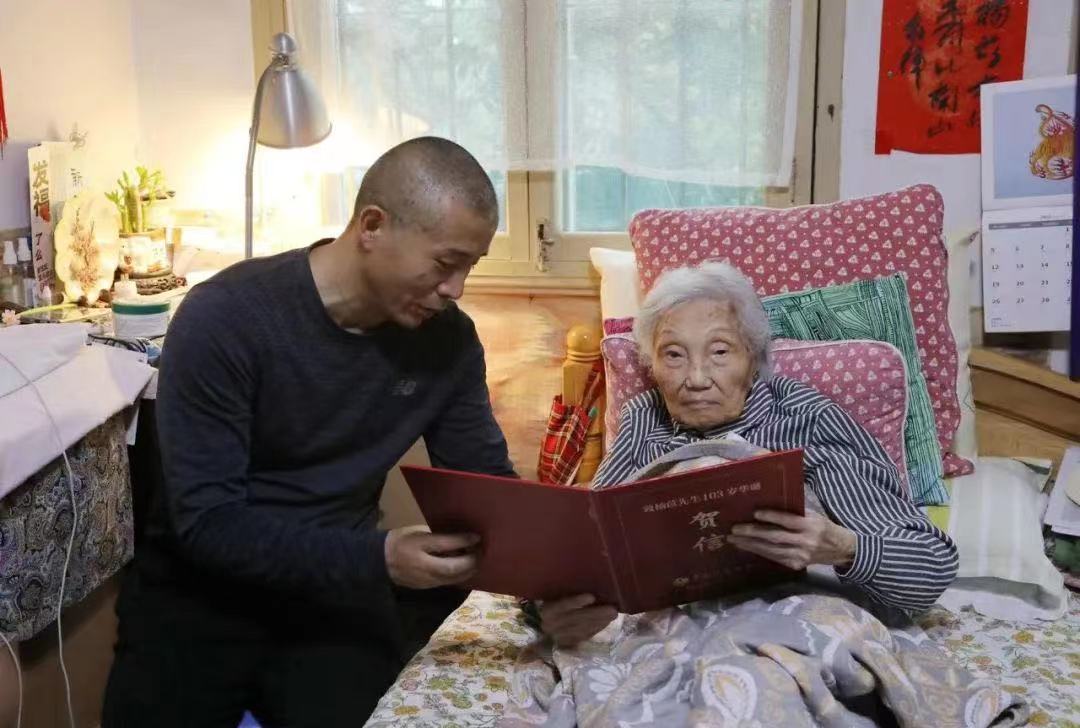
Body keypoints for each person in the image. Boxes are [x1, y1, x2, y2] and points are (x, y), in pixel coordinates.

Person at [103, 137, 516, 727]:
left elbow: (490, 490)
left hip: (334, 596)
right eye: (446, 263)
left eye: (470, 266)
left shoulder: (447, 341)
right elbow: (208, 524)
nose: (457, 289)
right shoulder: (226, 317)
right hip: (201, 591)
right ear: (371, 226)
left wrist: (564, 579)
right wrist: (379, 558)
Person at [538, 262, 959, 646]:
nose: (696, 378)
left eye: (719, 352)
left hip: (792, 629)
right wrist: (555, 612)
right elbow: (581, 549)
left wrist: (845, 547)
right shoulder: (644, 419)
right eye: (674, 355)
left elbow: (931, 568)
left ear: (754, 358)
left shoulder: (806, 419)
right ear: (653, 365)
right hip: (668, 637)